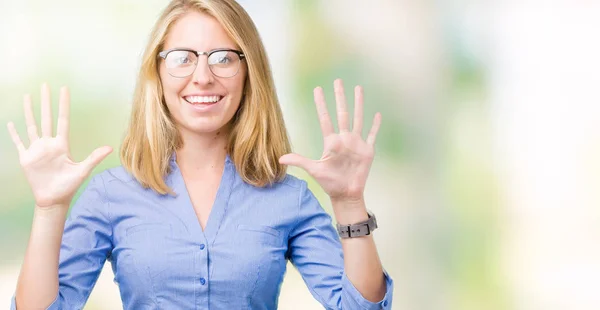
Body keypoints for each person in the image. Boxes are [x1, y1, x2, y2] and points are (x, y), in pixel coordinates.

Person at [6, 0, 394, 309]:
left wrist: (348, 202)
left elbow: (361, 307)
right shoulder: (110, 195)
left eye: (223, 57)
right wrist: (49, 208)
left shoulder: (287, 198)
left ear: (249, 71)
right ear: (156, 74)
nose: (203, 76)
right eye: (182, 57)